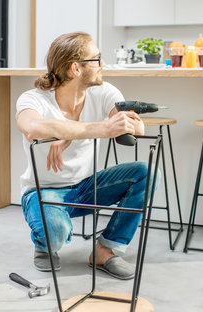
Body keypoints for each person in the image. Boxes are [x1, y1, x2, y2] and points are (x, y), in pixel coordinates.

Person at [16, 31, 153, 279]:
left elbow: (135, 128)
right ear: (75, 68)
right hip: (44, 191)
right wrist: (97, 128)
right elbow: (32, 127)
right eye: (97, 59)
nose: (103, 64)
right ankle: (45, 244)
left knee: (145, 173)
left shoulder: (104, 91)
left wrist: (70, 134)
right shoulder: (33, 99)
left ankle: (104, 251)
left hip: (88, 187)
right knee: (55, 232)